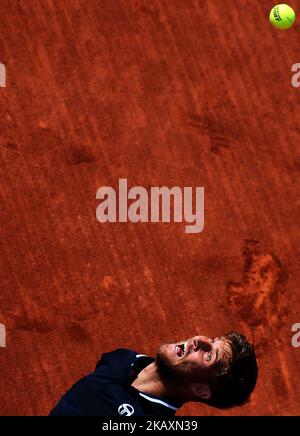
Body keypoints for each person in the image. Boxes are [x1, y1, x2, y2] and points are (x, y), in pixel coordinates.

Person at [49, 332, 258, 416]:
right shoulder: (123, 359)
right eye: (213, 339)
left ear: (200, 388)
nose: (200, 339)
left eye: (210, 355)